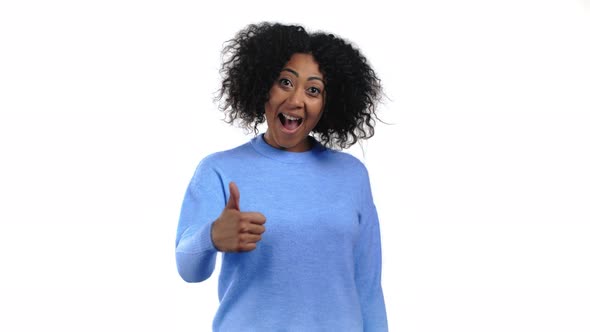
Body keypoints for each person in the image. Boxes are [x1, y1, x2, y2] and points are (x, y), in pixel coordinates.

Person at [175, 22, 388, 331]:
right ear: (263, 87)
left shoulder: (352, 175)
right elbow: (188, 269)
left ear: (328, 103)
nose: (297, 100)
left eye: (313, 90)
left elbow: (368, 287)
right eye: (285, 82)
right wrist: (211, 236)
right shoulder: (218, 169)